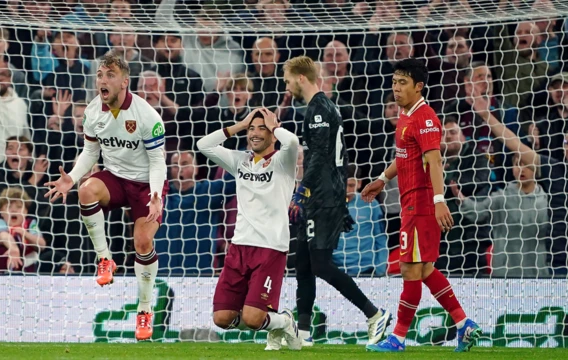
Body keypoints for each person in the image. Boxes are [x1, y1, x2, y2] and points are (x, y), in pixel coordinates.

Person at [44, 51, 167, 341]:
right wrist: (71, 180)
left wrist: (156, 194)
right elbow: (90, 152)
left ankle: (145, 310)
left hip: (145, 185)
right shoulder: (92, 111)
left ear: (125, 81)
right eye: (100, 74)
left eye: (110, 75)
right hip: (115, 178)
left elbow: (158, 162)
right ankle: (104, 259)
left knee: (143, 241)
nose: (103, 79)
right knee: (86, 189)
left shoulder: (147, 115)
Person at [362, 58, 482, 353]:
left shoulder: (425, 118)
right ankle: (463, 323)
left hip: (421, 204)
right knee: (425, 268)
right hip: (410, 202)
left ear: (419, 87)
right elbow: (405, 156)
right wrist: (382, 178)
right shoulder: (405, 114)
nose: (396, 88)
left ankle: (398, 338)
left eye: (403, 83)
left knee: (409, 269)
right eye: (394, 82)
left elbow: (434, 160)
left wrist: (439, 201)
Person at [284, 55, 391, 346]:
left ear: (301, 79)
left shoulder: (318, 109)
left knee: (319, 264)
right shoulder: (320, 107)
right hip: (319, 197)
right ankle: (302, 334)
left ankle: (374, 313)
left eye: (289, 80)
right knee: (304, 266)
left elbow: (318, 158)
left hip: (324, 197)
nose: (287, 85)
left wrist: (301, 190)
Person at [197, 108, 302, 351]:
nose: (255, 133)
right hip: (239, 246)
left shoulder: (282, 161)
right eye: (252, 129)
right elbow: (204, 144)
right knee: (222, 318)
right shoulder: (239, 161)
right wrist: (240, 124)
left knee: (253, 319)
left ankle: (285, 322)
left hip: (270, 248)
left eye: (261, 128)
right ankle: (275, 323)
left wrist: (274, 126)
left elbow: (293, 141)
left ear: (273, 134)